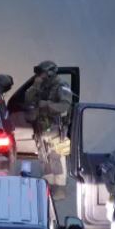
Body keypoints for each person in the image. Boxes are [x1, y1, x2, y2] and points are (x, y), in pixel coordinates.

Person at [23, 61, 73, 199]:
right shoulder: (41, 87)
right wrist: (35, 87)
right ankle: (49, 187)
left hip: (55, 129)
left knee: (56, 157)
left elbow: (64, 106)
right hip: (41, 128)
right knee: (44, 157)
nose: (40, 76)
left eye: (42, 73)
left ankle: (60, 188)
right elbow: (28, 99)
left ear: (50, 73)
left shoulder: (61, 86)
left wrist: (46, 105)